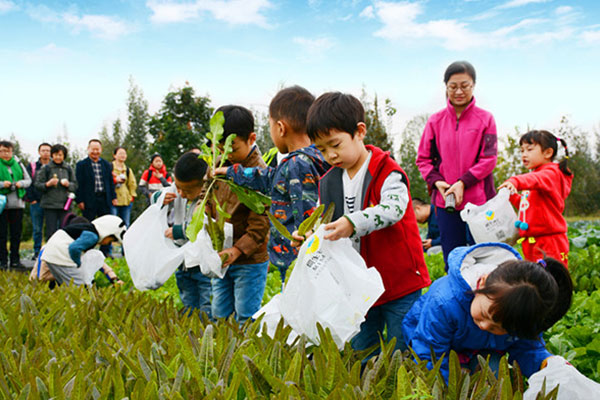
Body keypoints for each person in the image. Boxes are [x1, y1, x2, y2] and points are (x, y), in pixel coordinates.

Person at [298, 92, 431, 354]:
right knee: (361, 350)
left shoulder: (386, 171)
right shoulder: (329, 181)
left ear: (359, 131)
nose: (330, 155)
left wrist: (352, 222)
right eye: (322, 149)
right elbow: (326, 221)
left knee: (403, 349)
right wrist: (311, 235)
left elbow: (393, 208)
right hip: (357, 286)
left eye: (335, 145)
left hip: (399, 281)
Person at [402, 242, 573, 382]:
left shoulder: (522, 309)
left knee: (494, 373)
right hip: (428, 340)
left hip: (475, 346)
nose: (484, 325)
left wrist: (547, 363)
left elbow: (527, 348)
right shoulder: (444, 302)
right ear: (482, 283)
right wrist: (449, 389)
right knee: (446, 376)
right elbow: (429, 352)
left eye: (498, 328)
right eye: (484, 315)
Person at [214, 86, 329, 283]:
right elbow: (268, 178)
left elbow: (307, 216)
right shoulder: (311, 158)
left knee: (299, 308)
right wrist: (232, 172)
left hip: (300, 260)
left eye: (270, 126)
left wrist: (304, 247)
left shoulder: (297, 164)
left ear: (281, 128)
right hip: (306, 259)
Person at [416, 61, 497, 269]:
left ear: (474, 85)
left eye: (465, 85)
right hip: (446, 203)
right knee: (453, 260)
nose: (459, 91)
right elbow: (423, 159)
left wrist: (463, 182)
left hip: (479, 202)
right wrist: (439, 183)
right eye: (453, 86)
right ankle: (459, 300)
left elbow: (489, 159)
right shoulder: (435, 121)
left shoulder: (485, 119)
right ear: (446, 87)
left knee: (484, 257)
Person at [208, 105, 270, 324]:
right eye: (220, 148)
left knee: (246, 315)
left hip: (249, 260)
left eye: (231, 149)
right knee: (220, 312)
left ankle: (247, 355)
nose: (226, 154)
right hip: (222, 256)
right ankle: (223, 354)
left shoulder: (258, 175)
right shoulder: (218, 165)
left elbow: (260, 225)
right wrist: (202, 208)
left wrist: (237, 250)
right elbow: (207, 197)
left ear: (251, 139)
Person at [498, 130, 573, 266]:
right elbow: (525, 204)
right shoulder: (536, 178)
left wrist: (515, 181)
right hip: (532, 241)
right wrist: (511, 195)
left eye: (529, 149)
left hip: (549, 241)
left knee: (553, 278)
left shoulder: (551, 173)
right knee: (535, 279)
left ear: (547, 153)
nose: (524, 155)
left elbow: (534, 179)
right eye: (522, 151)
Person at [157, 152, 212, 317]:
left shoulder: (210, 196)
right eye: (177, 187)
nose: (180, 193)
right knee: (187, 299)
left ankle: (208, 332)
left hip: (202, 264)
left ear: (203, 184)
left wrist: (178, 231)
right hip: (183, 263)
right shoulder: (179, 190)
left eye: (186, 190)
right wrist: (160, 197)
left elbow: (203, 226)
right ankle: (191, 332)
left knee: (207, 300)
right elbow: (159, 196)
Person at [29, 215, 124, 287]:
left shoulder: (83, 240)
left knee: (79, 282)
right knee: (80, 287)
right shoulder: (90, 237)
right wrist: (78, 265)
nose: (108, 243)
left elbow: (99, 263)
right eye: (111, 240)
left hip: (60, 270)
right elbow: (39, 275)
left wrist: (114, 278)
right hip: (47, 279)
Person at [75, 139, 117, 256]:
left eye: (97, 149)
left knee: (107, 226)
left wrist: (113, 197)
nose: (95, 151)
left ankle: (106, 252)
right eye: (93, 149)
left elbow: (110, 182)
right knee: (89, 226)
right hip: (89, 200)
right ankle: (88, 251)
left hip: (104, 199)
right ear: (88, 149)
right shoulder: (81, 165)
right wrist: (80, 200)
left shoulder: (106, 164)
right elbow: (79, 184)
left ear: (101, 150)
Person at [34, 144, 77, 240]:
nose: (58, 157)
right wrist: (48, 184)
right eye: (56, 154)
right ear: (52, 155)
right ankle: (50, 253)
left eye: (60, 155)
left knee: (65, 230)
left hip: (65, 205)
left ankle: (64, 252)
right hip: (50, 205)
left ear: (64, 156)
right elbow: (37, 185)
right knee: (51, 232)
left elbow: (75, 185)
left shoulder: (68, 168)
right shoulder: (46, 168)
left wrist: (68, 185)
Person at [0, 140, 31, 268]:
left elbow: (28, 180)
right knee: (1, 234)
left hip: (17, 204)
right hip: (2, 205)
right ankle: (2, 260)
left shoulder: (17, 163)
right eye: (2, 151)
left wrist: (20, 184)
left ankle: (15, 259)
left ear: (12, 151)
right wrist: (2, 184)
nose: (5, 153)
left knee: (16, 233)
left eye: (8, 151)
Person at [24, 142, 51, 260]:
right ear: (39, 152)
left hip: (51, 202)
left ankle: (50, 252)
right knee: (37, 229)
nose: (45, 153)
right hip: (37, 202)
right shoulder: (33, 166)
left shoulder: (54, 166)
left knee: (51, 228)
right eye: (43, 150)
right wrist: (31, 199)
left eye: (48, 150)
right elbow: (28, 183)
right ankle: (36, 252)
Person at [111, 147, 137, 227]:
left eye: (124, 153)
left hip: (126, 200)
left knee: (126, 224)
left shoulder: (128, 170)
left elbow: (132, 184)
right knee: (112, 223)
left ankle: (125, 239)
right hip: (113, 199)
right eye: (120, 153)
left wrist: (132, 196)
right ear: (114, 155)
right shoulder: (109, 167)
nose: (123, 155)